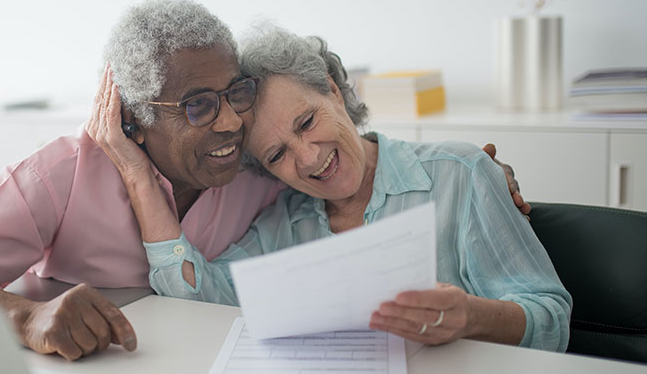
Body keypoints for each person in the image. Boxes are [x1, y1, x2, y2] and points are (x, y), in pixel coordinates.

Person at [0, 0, 528, 361]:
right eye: (198, 105)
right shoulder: (65, 173)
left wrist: (479, 170)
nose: (230, 122)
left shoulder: (262, 172)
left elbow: (348, 163)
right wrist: (25, 317)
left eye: (236, 94)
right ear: (136, 121)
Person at [88, 25, 571, 352]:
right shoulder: (284, 223)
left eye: (306, 121)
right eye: (276, 155)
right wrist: (137, 175)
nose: (309, 157)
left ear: (333, 91)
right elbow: (196, 301)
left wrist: (471, 317)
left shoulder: (459, 174)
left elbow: (552, 319)